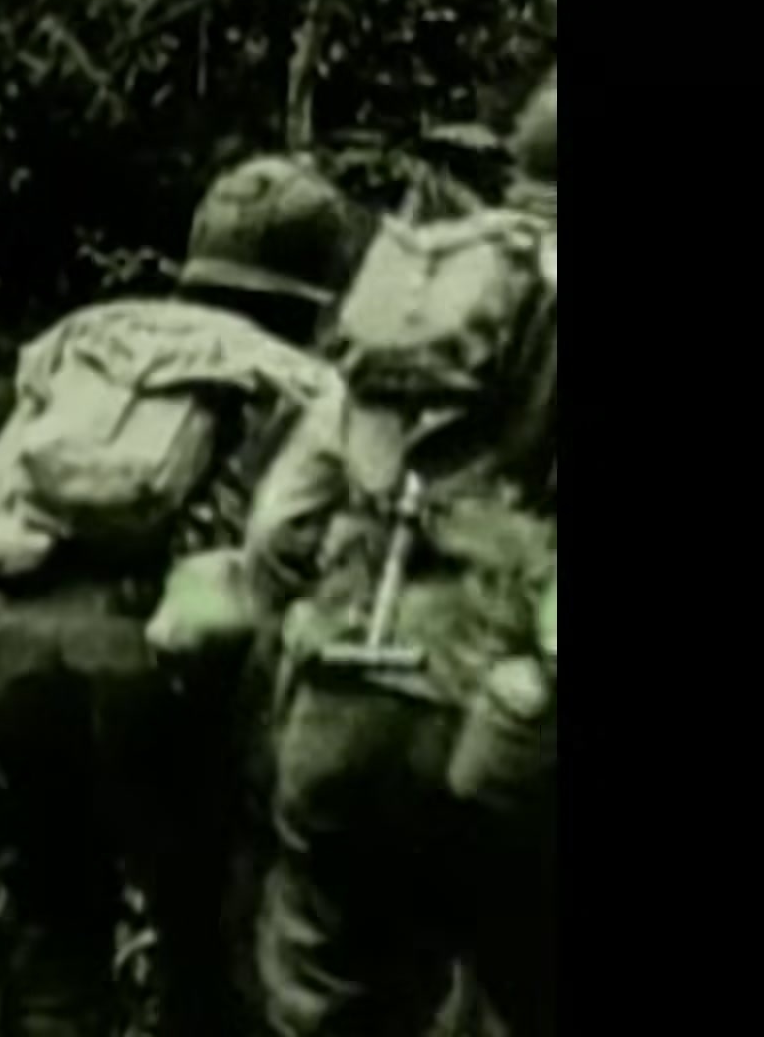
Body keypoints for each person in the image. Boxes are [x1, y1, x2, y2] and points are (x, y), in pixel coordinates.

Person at [0, 156, 368, 1037]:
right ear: (316, 293)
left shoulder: (86, 337)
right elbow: (290, 548)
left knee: (60, 916)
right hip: (152, 668)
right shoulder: (312, 387)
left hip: (5, 648)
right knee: (204, 939)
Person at [246, 67, 557, 1037]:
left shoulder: (418, 292)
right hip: (491, 712)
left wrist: (299, 640)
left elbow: (277, 528)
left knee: (324, 993)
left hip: (339, 691)